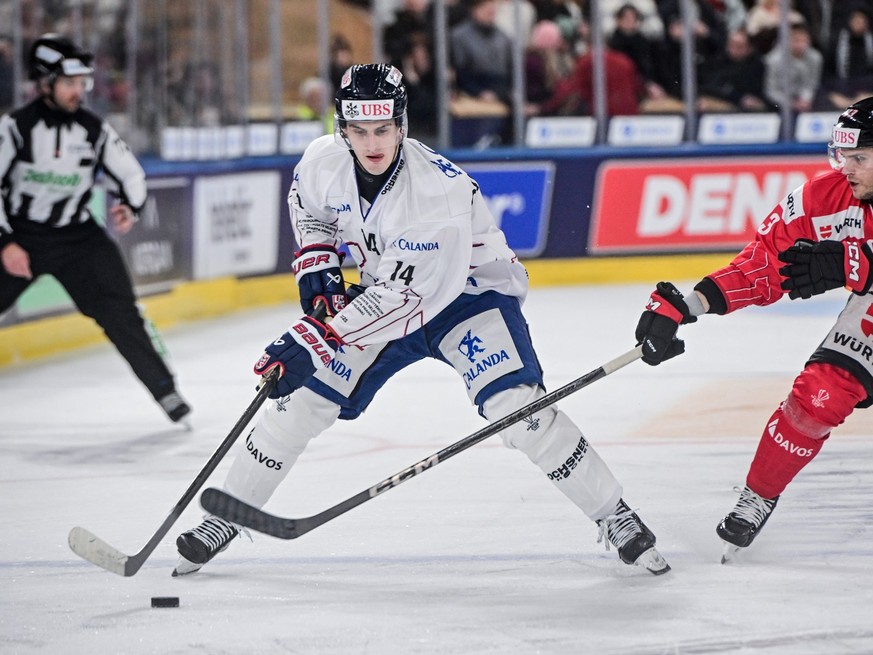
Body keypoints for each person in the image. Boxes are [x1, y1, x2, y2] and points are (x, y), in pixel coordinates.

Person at [173, 63, 670, 577]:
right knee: (299, 402)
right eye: (359, 130)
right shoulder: (323, 160)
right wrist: (317, 257)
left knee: (520, 410)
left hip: (467, 299)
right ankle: (227, 516)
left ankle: (613, 514)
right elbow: (310, 208)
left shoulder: (436, 193)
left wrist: (318, 337)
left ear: (401, 125)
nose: (372, 143)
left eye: (382, 129)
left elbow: (405, 299)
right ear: (341, 128)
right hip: (385, 293)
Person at [634, 97, 873, 562]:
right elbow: (763, 264)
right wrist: (689, 305)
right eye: (843, 156)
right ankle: (759, 494)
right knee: (820, 394)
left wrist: (855, 263)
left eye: (860, 158)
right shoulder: (823, 197)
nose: (847, 169)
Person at [0, 34, 191, 424]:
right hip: (21, 235)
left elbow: (131, 174)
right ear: (45, 83)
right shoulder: (16, 128)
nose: (79, 91)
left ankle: (166, 391)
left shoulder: (93, 129)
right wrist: (6, 243)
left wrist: (131, 206)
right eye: (69, 83)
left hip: (79, 239)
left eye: (82, 82)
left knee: (122, 313)